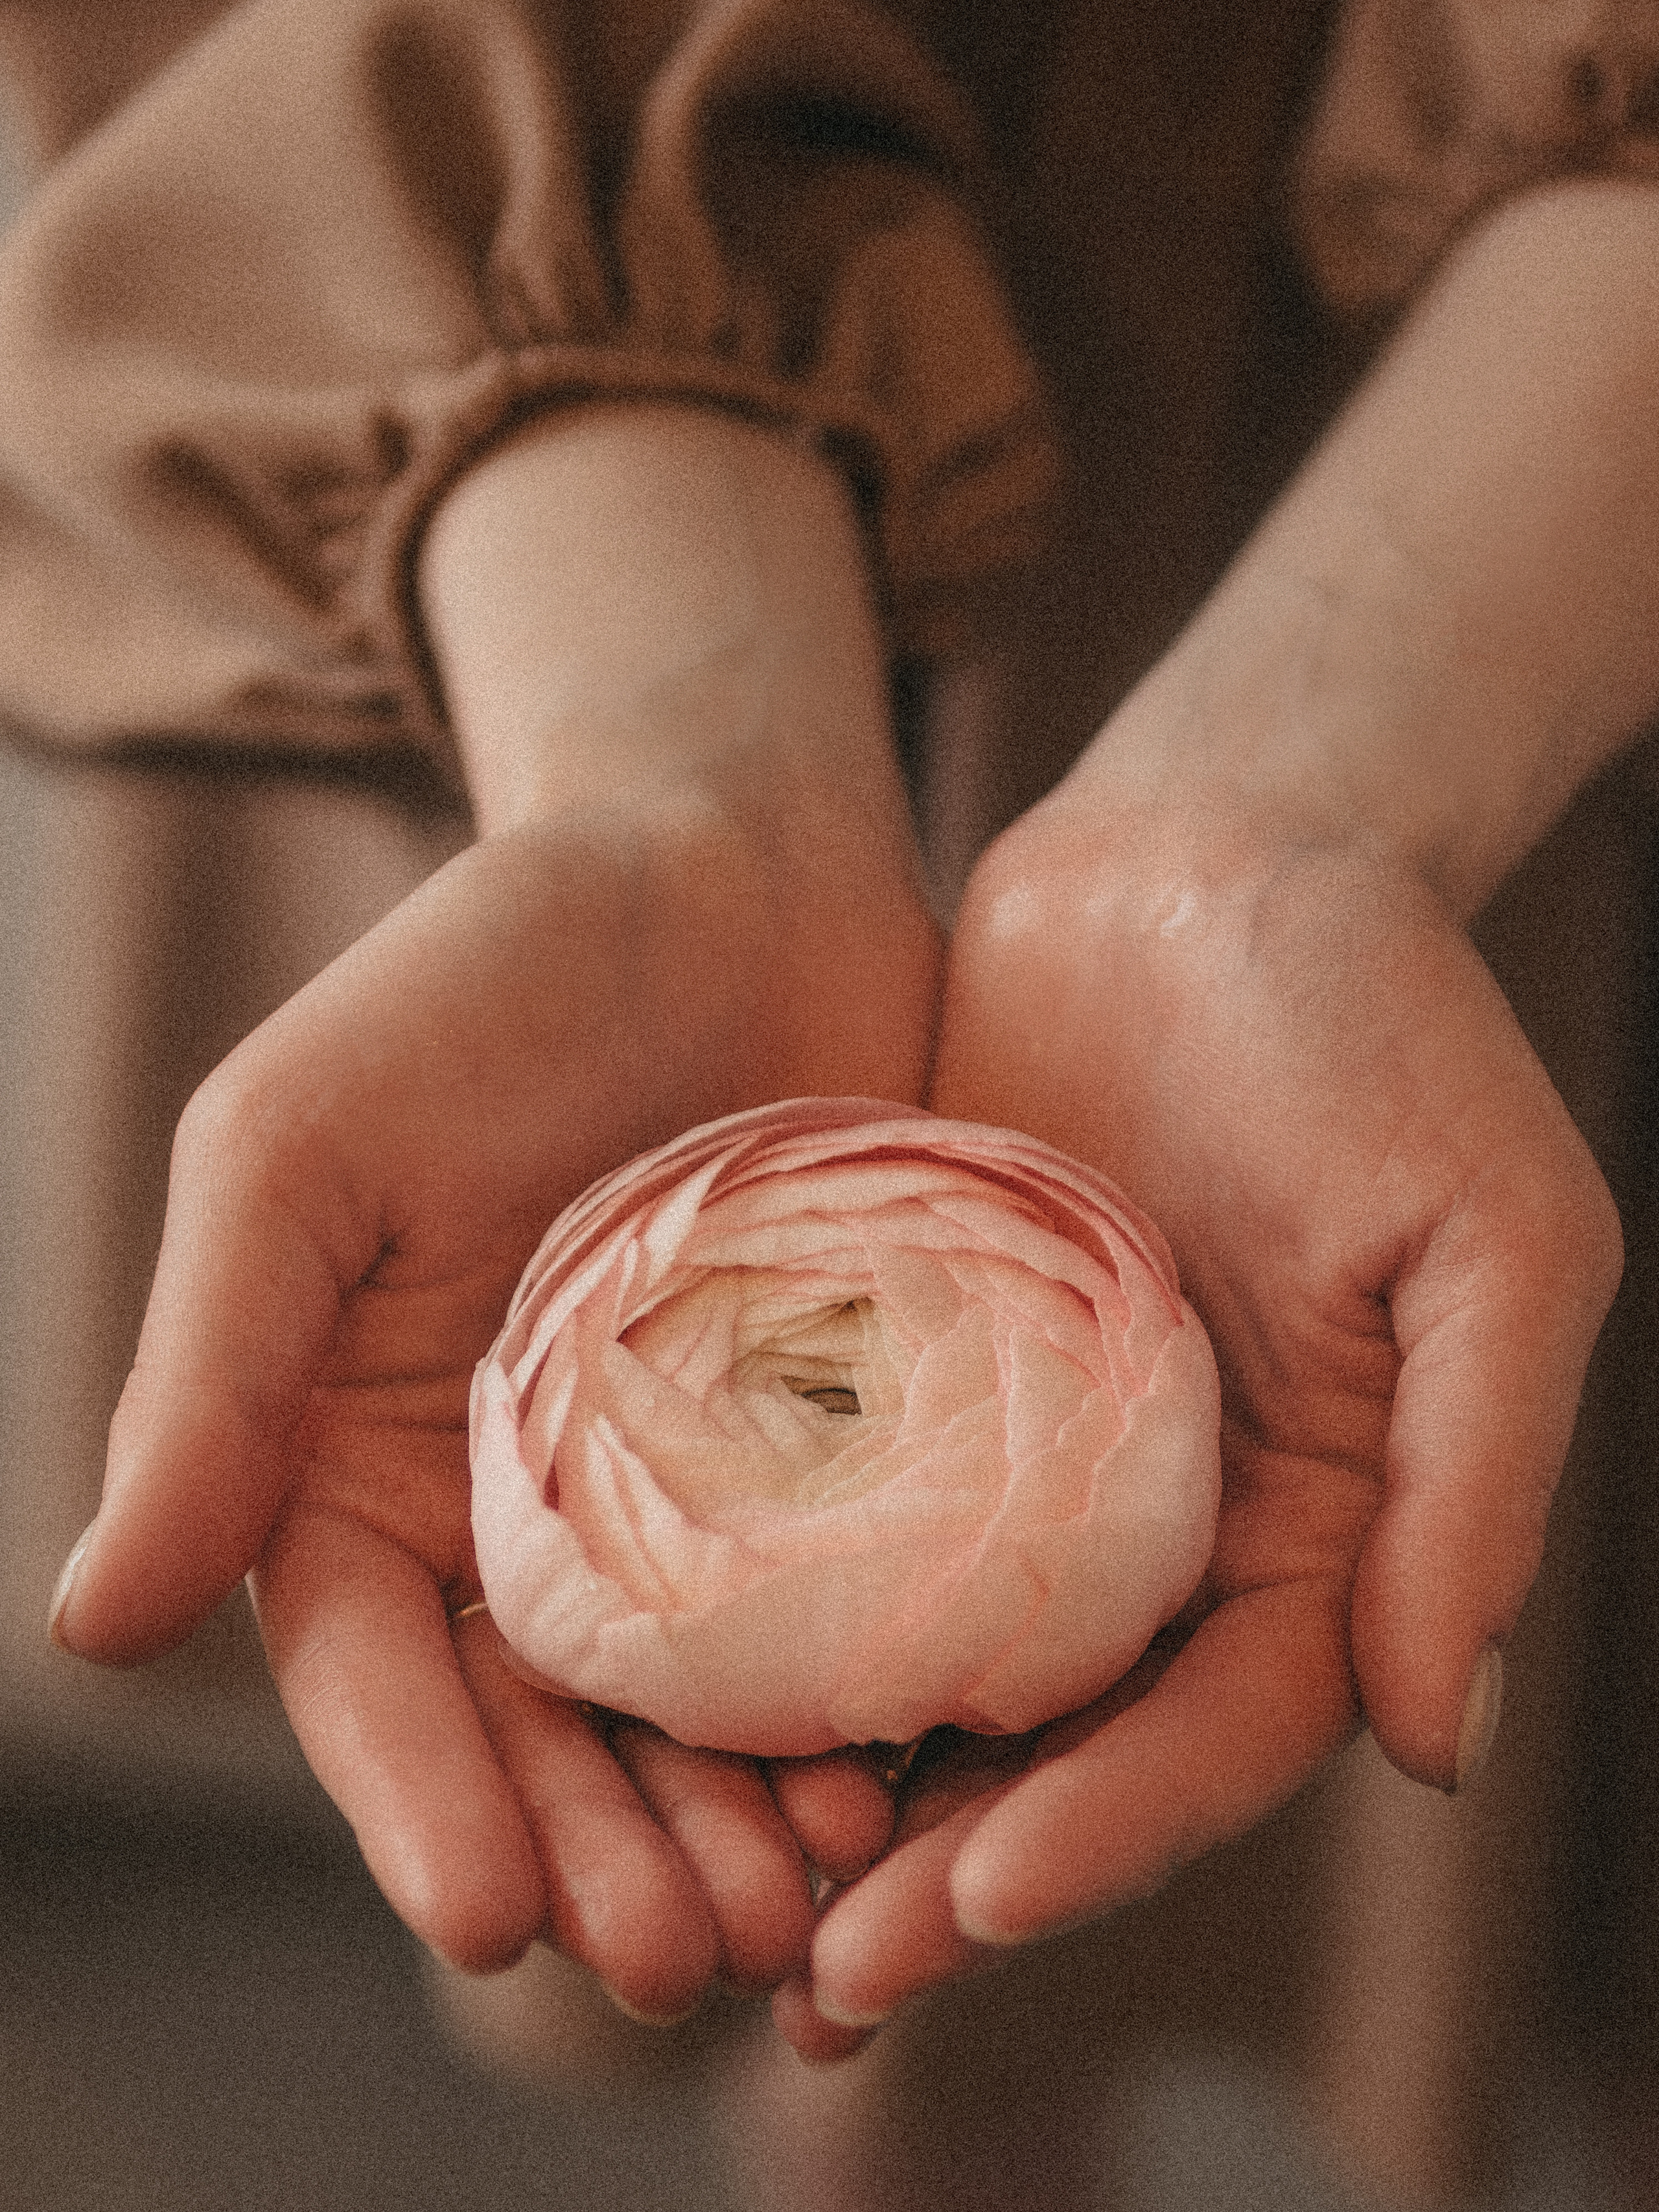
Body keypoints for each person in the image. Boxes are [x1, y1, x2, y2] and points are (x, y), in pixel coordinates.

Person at [5, 0, 1655, 2194]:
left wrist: (1316, 790)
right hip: (569, 455)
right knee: (871, 1997)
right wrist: (660, 750)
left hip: (1543, 472)